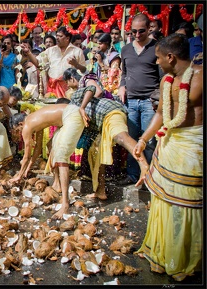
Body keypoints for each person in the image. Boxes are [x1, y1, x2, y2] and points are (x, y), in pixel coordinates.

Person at [134, 33, 203, 282]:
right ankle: (162, 255)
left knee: (188, 203)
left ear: (171, 57)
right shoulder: (167, 80)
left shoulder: (200, 77)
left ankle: (186, 259)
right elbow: (162, 114)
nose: (156, 62)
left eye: (159, 58)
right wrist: (143, 139)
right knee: (164, 200)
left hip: (194, 145)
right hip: (170, 144)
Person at [64, 69, 149, 200]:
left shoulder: (77, 97)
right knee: (98, 156)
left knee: (121, 137)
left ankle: (144, 166)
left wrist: (82, 107)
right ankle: (100, 190)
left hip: (111, 112)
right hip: (102, 123)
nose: (68, 86)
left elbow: (93, 89)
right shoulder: (73, 111)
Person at [117, 13, 161, 186]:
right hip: (131, 101)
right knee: (131, 139)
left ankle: (149, 176)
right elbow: (124, 73)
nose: (136, 34)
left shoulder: (157, 48)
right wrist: (122, 86)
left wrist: (157, 98)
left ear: (149, 28)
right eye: (133, 31)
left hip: (149, 101)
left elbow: (162, 76)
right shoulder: (126, 49)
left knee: (149, 141)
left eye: (141, 31)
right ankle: (133, 175)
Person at [8, 99, 73, 184]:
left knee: (59, 152)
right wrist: (28, 168)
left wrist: (19, 175)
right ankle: (56, 181)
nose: (20, 133)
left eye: (18, 130)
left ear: (20, 124)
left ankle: (60, 185)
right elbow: (38, 148)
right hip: (68, 115)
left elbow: (26, 157)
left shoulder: (26, 126)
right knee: (50, 145)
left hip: (70, 116)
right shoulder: (36, 121)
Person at [20, 26, 86, 99]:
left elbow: (84, 70)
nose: (57, 38)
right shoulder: (50, 50)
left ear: (67, 38)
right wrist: (29, 53)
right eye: (56, 36)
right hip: (52, 88)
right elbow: (38, 63)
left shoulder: (77, 51)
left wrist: (76, 64)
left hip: (69, 89)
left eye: (60, 36)